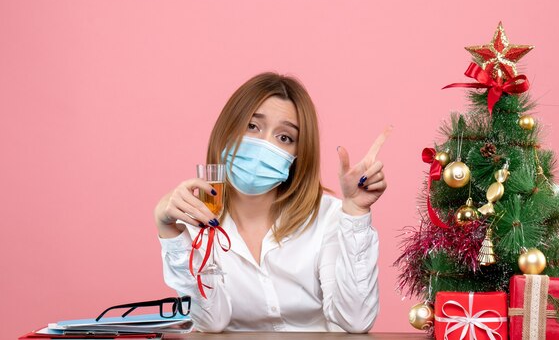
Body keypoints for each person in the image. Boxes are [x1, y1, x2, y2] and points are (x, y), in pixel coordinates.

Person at [154, 72, 390, 333]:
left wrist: (356, 211)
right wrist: (169, 230)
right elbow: (210, 322)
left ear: (298, 155)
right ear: (226, 130)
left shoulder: (328, 216)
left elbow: (355, 322)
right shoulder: (196, 220)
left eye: (285, 138)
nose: (264, 145)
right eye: (252, 127)